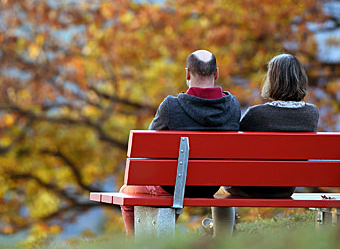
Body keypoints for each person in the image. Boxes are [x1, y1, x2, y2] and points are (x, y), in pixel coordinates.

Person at [119, 49, 242, 235]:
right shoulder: (232, 106)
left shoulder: (171, 106)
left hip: (173, 187)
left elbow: (148, 147)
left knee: (126, 191)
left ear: (187, 73)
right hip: (211, 186)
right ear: (216, 74)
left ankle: (132, 243)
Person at [224, 53, 319, 198]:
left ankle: (221, 222)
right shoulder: (311, 113)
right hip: (285, 189)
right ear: (300, 79)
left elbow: (234, 150)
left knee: (221, 187)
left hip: (250, 187)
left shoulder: (257, 114)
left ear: (272, 81)